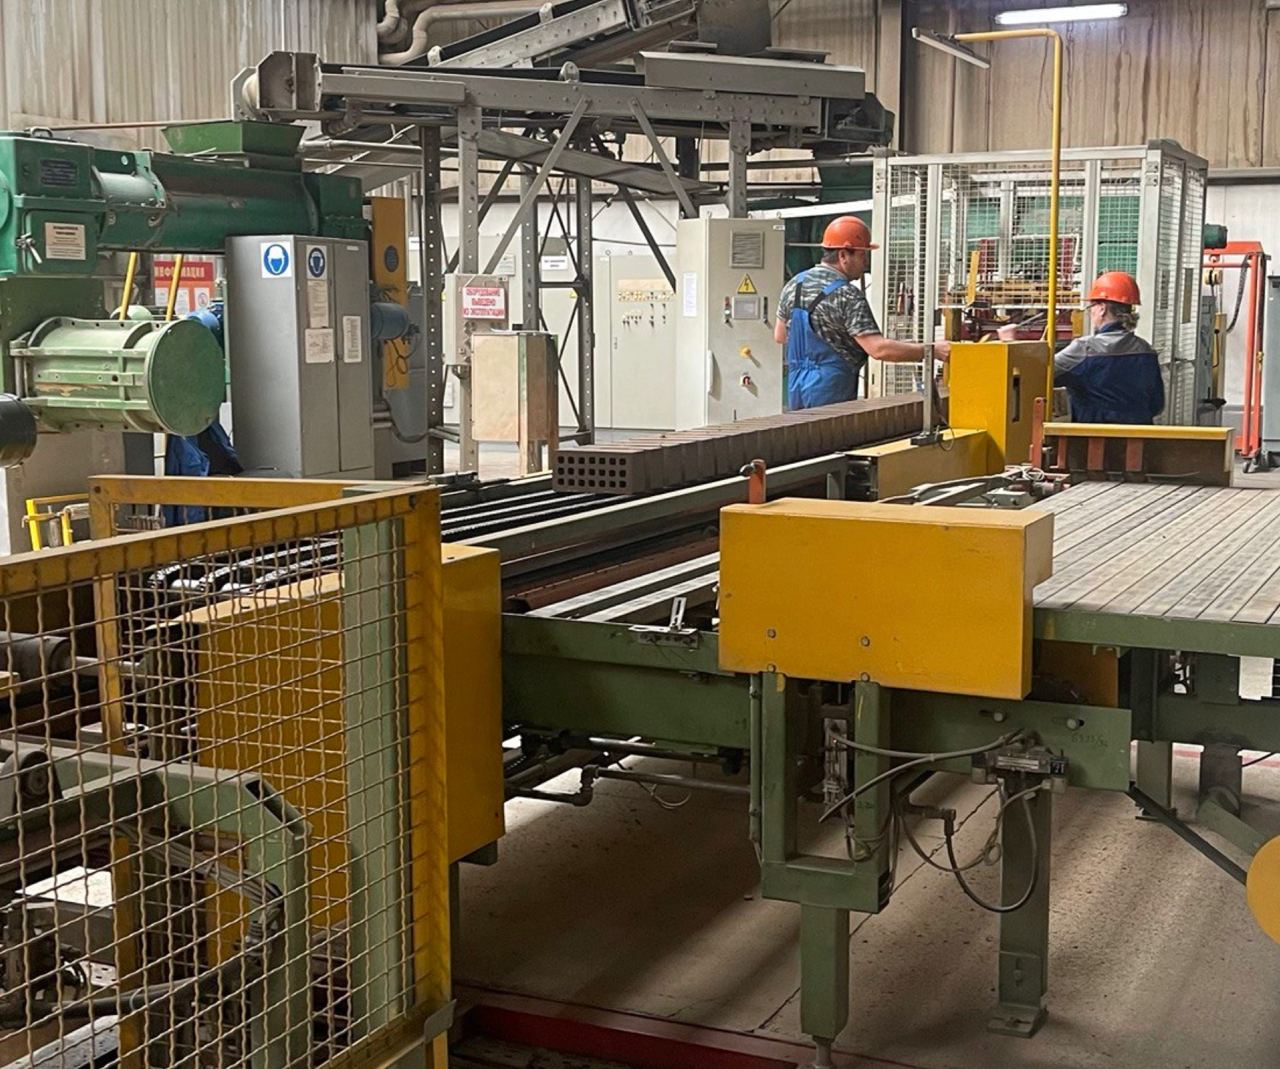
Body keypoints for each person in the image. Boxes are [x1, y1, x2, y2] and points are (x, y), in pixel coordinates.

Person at [774, 216, 950, 409]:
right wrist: (932, 351)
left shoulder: (794, 285)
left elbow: (780, 336)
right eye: (862, 255)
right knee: (828, 429)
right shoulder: (847, 294)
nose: (866, 263)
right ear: (843, 255)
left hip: (797, 387)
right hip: (830, 389)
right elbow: (879, 349)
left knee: (801, 429)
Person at [1054, 271, 1165, 424]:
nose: (1090, 312)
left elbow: (1042, 375)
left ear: (1102, 308)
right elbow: (1157, 405)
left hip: (1093, 436)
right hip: (1139, 436)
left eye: (1092, 306)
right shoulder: (1146, 350)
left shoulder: (1084, 349)